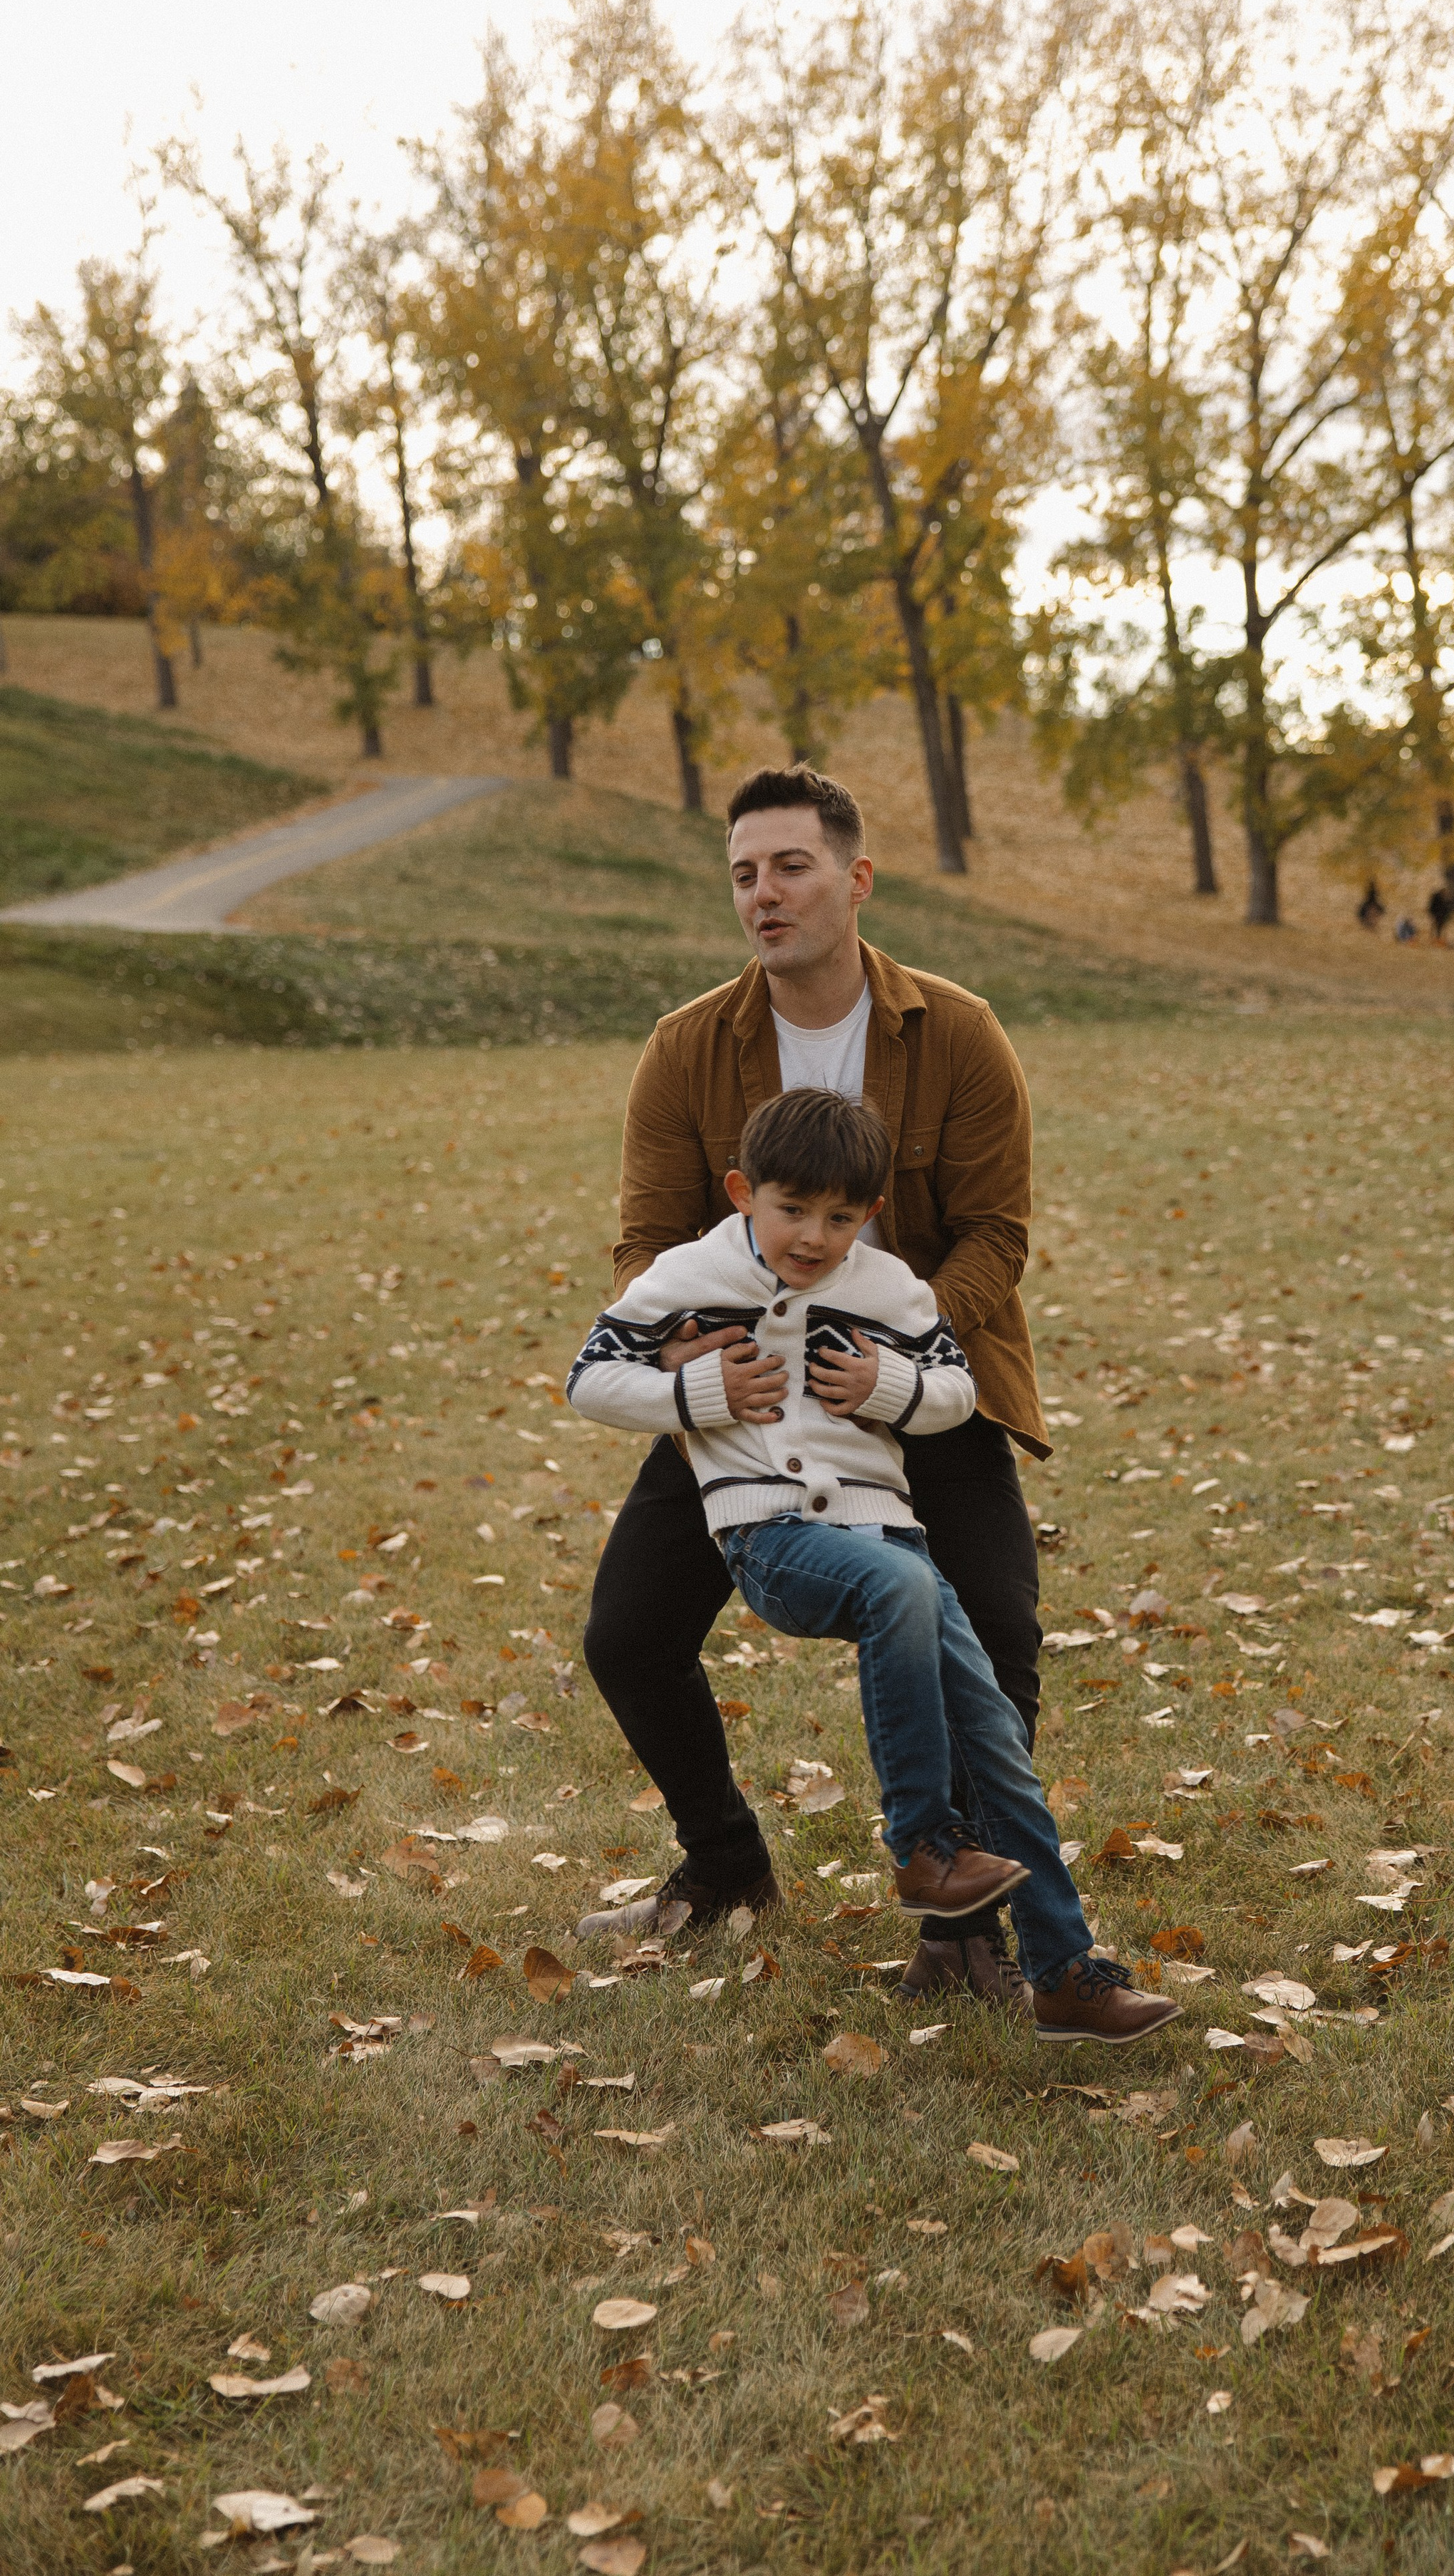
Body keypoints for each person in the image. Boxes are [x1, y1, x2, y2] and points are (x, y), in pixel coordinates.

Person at [575, 765, 1049, 2013]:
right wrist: (694, 1359)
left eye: (791, 866)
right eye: (743, 873)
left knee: (997, 1639)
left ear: (855, 879)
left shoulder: (957, 1032)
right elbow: (643, 1243)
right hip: (748, 1396)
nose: (764, 894)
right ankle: (725, 1870)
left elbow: (998, 1232)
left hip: (914, 1387)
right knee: (627, 1635)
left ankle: (967, 1932)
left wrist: (895, 1359)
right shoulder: (689, 1048)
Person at [567, 1085, 1182, 2047]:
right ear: (742, 1192)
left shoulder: (890, 1287)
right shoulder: (686, 1277)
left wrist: (885, 1386)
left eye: (842, 1218)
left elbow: (953, 1388)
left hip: (889, 1532)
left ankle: (1065, 1973)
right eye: (793, 1211)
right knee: (895, 1590)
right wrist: (697, 1390)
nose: (815, 1237)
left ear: (873, 1214)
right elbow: (590, 1378)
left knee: (1000, 1752)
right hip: (771, 1533)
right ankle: (921, 1844)